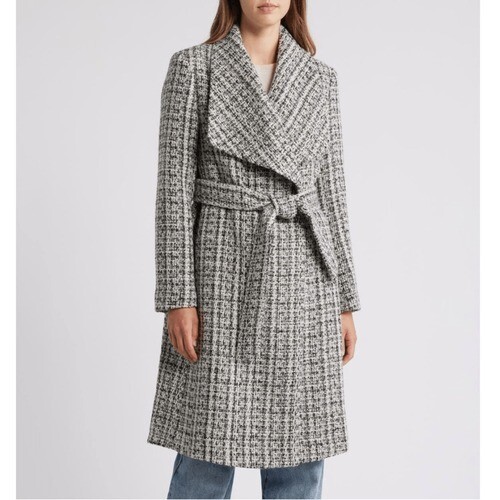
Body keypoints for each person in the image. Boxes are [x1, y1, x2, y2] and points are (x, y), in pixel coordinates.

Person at [147, 0, 362, 498]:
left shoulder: (320, 79)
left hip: (304, 278)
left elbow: (331, 194)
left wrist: (345, 302)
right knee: (205, 450)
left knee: (300, 454)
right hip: (222, 275)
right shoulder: (194, 68)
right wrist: (178, 296)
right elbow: (174, 189)